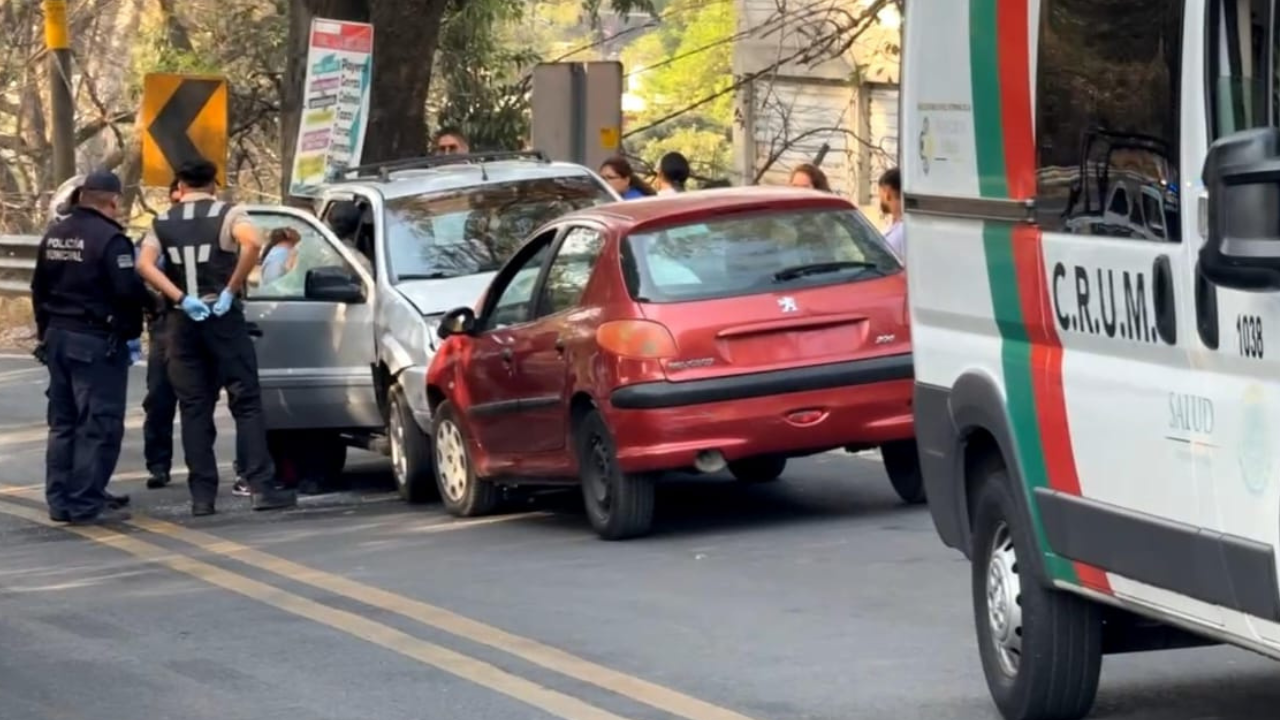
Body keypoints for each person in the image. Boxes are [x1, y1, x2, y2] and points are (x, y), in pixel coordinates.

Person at [135, 159, 297, 516]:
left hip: (182, 321)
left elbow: (144, 265)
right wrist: (231, 288)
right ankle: (260, 485)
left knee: (194, 407)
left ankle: (202, 497)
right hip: (222, 317)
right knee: (245, 400)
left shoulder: (163, 222)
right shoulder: (228, 213)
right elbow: (252, 243)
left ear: (181, 183)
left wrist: (178, 297)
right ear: (214, 182)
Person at [30, 170, 149, 525]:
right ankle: (84, 502)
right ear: (113, 200)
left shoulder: (55, 233)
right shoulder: (110, 240)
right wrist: (147, 312)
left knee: (63, 423)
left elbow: (39, 287)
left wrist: (43, 333)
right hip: (95, 341)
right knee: (99, 424)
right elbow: (126, 291)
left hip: (57, 337)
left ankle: (60, 500)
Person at [878, 167, 904, 258]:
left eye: (880, 193)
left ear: (887, 193)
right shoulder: (895, 228)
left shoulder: (902, 233)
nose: (880, 199)